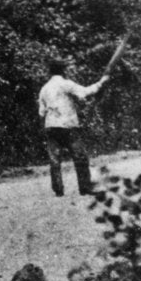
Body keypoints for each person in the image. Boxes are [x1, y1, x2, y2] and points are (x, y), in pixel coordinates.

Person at [37, 57, 109, 196]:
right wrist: (101, 82)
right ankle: (85, 187)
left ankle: (58, 190)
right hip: (68, 125)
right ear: (63, 70)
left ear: (50, 71)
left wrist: (46, 126)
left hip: (51, 125)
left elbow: (41, 112)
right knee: (80, 156)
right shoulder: (66, 84)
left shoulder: (44, 88)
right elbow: (85, 92)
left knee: (54, 159)